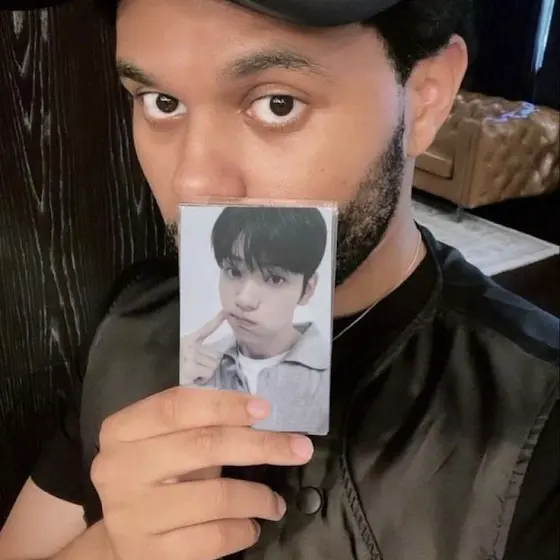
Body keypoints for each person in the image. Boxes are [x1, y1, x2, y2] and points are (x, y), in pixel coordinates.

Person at [0, 0, 558, 559]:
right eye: (161, 102)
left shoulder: (537, 424)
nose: (193, 180)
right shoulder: (132, 324)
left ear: (425, 98)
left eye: (277, 103)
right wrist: (111, 549)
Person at [181, 206, 331, 434]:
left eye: (274, 279)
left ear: (308, 289)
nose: (244, 299)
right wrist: (177, 382)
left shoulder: (333, 372)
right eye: (233, 271)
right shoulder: (194, 365)